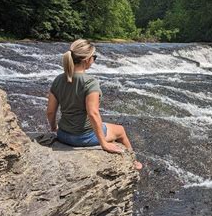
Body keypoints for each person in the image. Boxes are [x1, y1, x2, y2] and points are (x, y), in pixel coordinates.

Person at [46, 39, 142, 170]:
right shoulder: (90, 82)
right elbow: (93, 113)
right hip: (83, 137)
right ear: (86, 59)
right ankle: (133, 162)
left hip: (63, 135)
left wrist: (54, 128)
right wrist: (104, 143)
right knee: (120, 130)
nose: (94, 60)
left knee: (107, 126)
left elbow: (51, 111)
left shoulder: (58, 79)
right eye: (94, 57)